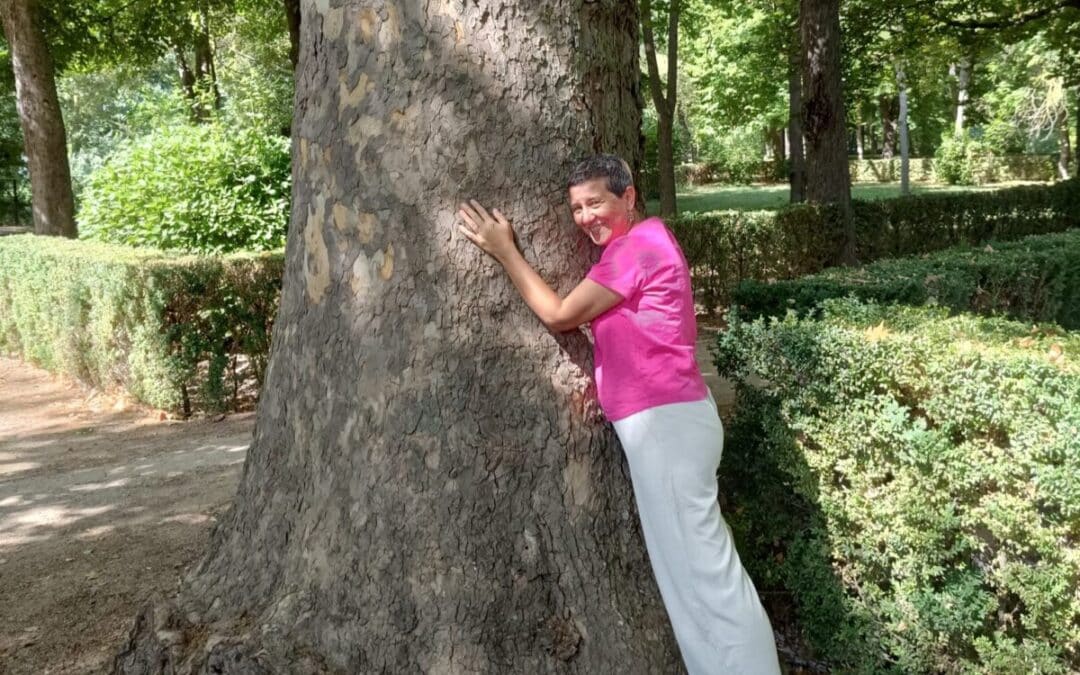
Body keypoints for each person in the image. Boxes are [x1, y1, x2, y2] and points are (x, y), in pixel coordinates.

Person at [457, 154, 781, 674]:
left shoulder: (638, 247)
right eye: (577, 208)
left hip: (668, 429)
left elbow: (560, 315)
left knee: (707, 580)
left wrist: (505, 251)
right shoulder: (641, 244)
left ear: (628, 196)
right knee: (688, 578)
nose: (585, 217)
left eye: (596, 202)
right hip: (667, 424)